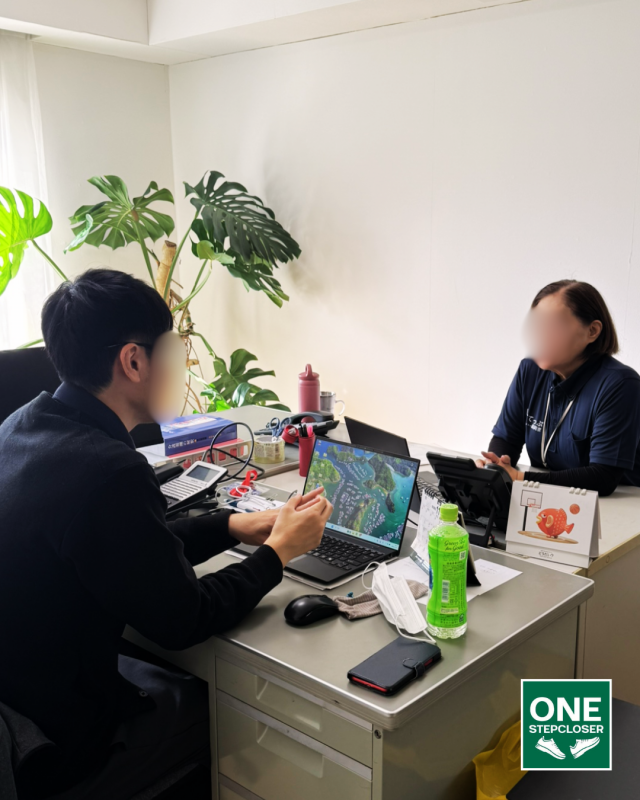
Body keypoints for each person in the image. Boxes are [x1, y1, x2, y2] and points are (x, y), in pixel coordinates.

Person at [0, 268, 332, 800]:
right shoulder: (108, 471)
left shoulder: (22, 426)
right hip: (59, 739)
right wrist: (278, 552)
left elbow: (129, 547)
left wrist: (230, 525)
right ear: (133, 362)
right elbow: (186, 618)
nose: (183, 366)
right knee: (222, 709)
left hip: (22, 699)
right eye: (174, 350)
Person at [477, 279, 640, 497]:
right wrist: (496, 466)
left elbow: (603, 477)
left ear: (592, 331)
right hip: (548, 498)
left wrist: (520, 479)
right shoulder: (529, 370)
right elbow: (506, 439)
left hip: (618, 506)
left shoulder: (620, 384)